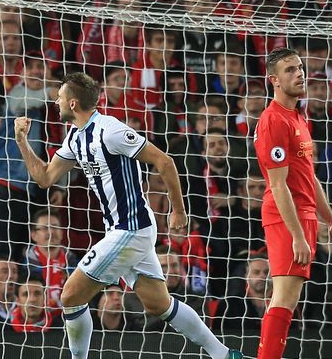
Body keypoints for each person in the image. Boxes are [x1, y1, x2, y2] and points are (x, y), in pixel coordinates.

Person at [13, 72, 242, 359]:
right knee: (160, 305)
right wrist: (22, 141)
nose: (55, 101)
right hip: (122, 231)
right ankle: (224, 354)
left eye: (59, 97)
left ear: (72, 103)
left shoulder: (110, 130)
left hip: (131, 229)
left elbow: (164, 161)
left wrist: (178, 211)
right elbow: (45, 177)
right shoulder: (74, 137)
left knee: (70, 296)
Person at [253, 48, 332, 359]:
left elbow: (310, 176)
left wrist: (330, 220)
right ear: (274, 80)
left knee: (288, 300)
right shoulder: (273, 120)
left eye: (301, 67)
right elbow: (277, 185)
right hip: (284, 216)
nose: (300, 74)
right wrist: (297, 235)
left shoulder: (298, 117)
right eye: (290, 70)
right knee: (283, 299)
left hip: (303, 214)